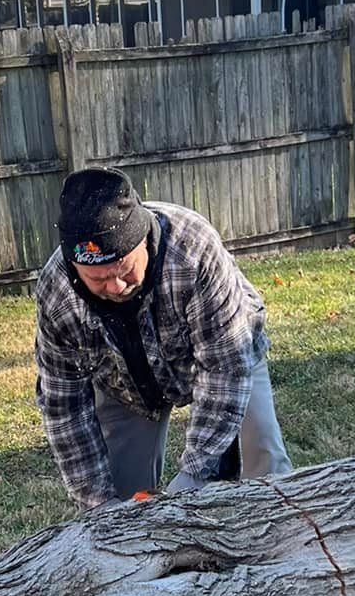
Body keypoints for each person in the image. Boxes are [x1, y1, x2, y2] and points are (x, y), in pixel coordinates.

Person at [33, 168, 292, 511]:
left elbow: (224, 368)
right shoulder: (57, 294)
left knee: (265, 468)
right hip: (122, 383)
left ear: (142, 241)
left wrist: (196, 473)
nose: (116, 287)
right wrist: (97, 503)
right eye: (98, 279)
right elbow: (64, 407)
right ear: (74, 266)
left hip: (229, 352)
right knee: (119, 508)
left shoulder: (193, 250)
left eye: (124, 270)